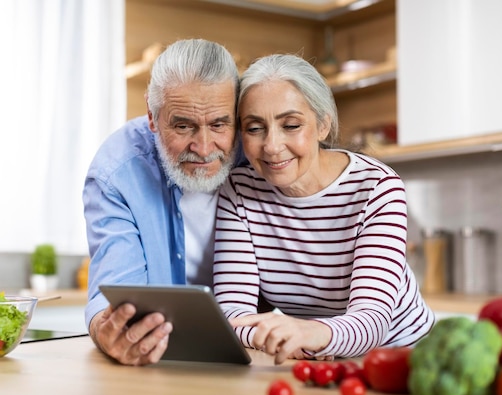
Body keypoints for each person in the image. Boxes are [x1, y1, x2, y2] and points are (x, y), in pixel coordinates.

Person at [212, 53, 435, 365]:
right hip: (317, 357)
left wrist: (310, 334)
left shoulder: (377, 188)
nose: (272, 145)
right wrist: (288, 336)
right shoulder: (239, 189)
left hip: (403, 358)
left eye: (290, 125)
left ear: (322, 125)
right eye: (254, 128)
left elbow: (371, 320)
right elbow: (232, 313)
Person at [82, 39, 240, 365]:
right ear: (152, 117)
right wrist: (106, 330)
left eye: (219, 124)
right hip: (163, 359)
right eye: (183, 126)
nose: (203, 146)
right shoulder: (117, 172)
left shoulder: (260, 157)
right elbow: (113, 290)